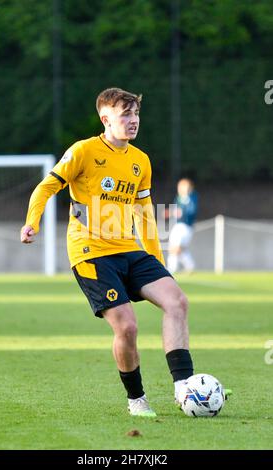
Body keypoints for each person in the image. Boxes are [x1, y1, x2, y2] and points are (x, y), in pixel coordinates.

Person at [20, 87, 195, 418]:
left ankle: (185, 388)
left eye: (136, 114)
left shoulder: (140, 160)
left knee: (177, 301)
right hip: (91, 253)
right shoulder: (84, 151)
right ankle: (137, 400)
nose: (133, 121)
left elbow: (144, 213)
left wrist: (157, 262)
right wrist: (33, 222)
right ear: (105, 119)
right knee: (127, 327)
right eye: (125, 114)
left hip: (129, 249)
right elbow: (47, 187)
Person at [166, 178, 198, 274]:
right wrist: (171, 212)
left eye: (183, 186)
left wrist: (182, 212)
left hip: (185, 226)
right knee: (177, 248)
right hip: (178, 225)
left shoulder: (192, 197)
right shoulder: (178, 198)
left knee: (175, 248)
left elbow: (191, 211)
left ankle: (171, 269)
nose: (180, 188)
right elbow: (176, 211)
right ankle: (190, 266)